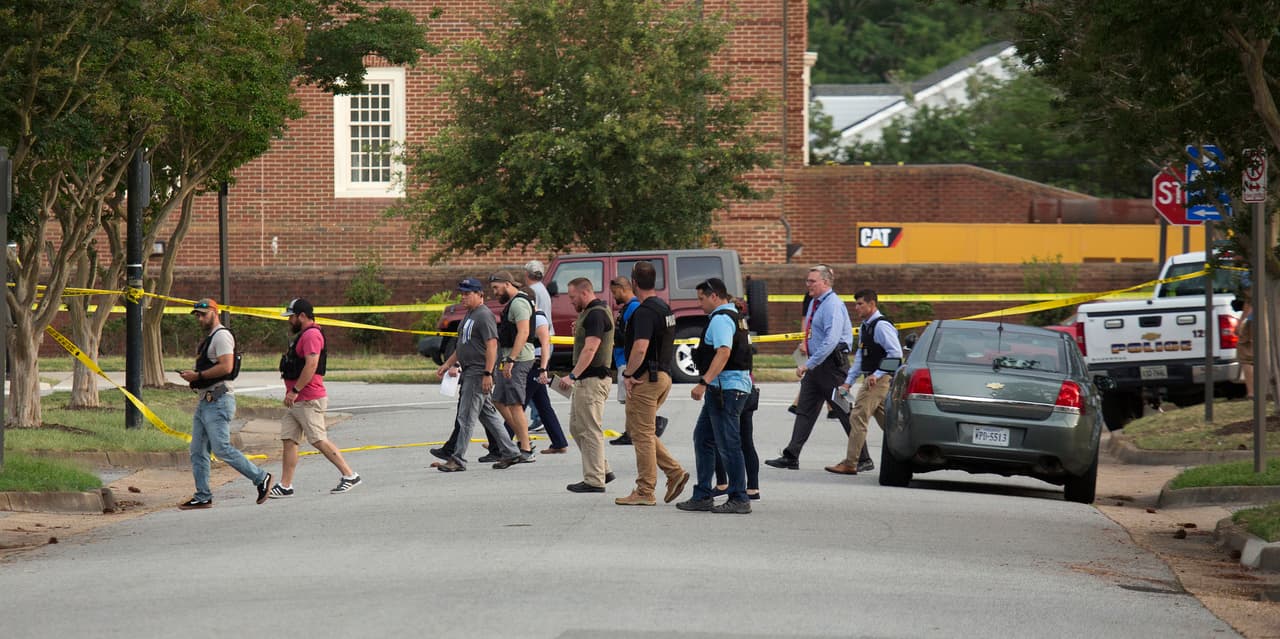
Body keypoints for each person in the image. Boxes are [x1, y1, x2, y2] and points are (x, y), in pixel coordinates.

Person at [765, 265, 872, 471]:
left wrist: (809, 364)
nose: (808, 285)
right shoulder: (816, 303)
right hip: (817, 366)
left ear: (825, 282)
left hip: (831, 366)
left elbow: (831, 340)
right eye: (807, 281)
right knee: (805, 409)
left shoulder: (832, 305)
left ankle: (863, 458)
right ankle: (791, 455)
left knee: (843, 410)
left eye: (812, 281)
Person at [177, 298, 273, 510]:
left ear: (214, 312)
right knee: (197, 450)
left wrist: (198, 375)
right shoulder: (210, 338)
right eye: (197, 315)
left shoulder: (221, 336)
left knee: (221, 448)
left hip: (218, 401)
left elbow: (227, 367)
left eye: (203, 314)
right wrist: (196, 379)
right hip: (205, 402)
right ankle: (203, 496)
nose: (200, 318)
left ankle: (261, 478)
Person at [268, 298, 361, 497]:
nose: (289, 321)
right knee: (289, 439)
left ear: (302, 316)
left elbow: (311, 365)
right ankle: (285, 485)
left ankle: (349, 475)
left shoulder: (311, 335)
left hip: (308, 398)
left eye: (291, 317)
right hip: (297, 400)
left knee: (318, 439)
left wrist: (295, 390)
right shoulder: (303, 335)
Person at [429, 279, 523, 472]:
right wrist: (448, 364)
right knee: (488, 415)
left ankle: (458, 459)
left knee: (466, 417)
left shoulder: (484, 315)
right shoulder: (469, 315)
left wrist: (488, 373)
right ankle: (511, 451)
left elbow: (492, 345)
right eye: (461, 293)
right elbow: (463, 345)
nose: (463, 297)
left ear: (480, 294)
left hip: (478, 372)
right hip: (471, 370)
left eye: (467, 293)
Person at [616, 261, 690, 506]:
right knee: (641, 430)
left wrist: (628, 374)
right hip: (663, 375)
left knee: (642, 435)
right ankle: (674, 473)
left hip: (647, 378)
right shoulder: (664, 308)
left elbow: (640, 347)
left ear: (634, 282)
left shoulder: (645, 311)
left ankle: (646, 490)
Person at [676, 278, 752, 514]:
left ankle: (739, 497)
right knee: (703, 438)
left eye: (701, 298)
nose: (699, 304)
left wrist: (703, 382)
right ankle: (703, 495)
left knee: (728, 445)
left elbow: (724, 352)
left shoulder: (721, 319)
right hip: (727, 388)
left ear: (715, 296)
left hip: (725, 389)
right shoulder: (736, 317)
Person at [826, 289, 902, 475]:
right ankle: (911, 450)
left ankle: (852, 463)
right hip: (871, 378)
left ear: (872, 304)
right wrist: (848, 382)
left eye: (860, 304)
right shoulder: (865, 326)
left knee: (857, 416)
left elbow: (896, 354)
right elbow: (860, 356)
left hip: (878, 380)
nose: (856, 307)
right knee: (890, 423)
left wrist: (877, 374)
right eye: (856, 304)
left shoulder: (881, 326)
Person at [556, 277, 617, 493]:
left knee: (590, 429)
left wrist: (571, 376)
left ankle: (594, 479)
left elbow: (591, 349)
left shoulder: (596, 314)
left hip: (592, 379)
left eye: (572, 297)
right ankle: (603, 469)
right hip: (586, 380)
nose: (570, 302)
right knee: (576, 427)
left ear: (584, 293)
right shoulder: (591, 313)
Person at [608, 276, 667, 445]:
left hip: (628, 360)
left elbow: (634, 335)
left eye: (614, 292)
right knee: (628, 401)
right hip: (621, 357)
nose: (614, 297)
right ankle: (631, 431)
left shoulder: (634, 307)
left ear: (622, 288)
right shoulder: (628, 307)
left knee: (632, 400)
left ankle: (650, 424)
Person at [488, 271, 537, 467]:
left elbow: (524, 332)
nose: (494, 292)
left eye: (496, 288)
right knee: (498, 400)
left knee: (515, 404)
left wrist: (511, 359)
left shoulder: (519, 303)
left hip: (519, 358)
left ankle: (526, 449)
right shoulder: (513, 303)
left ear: (507, 284)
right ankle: (523, 439)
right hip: (509, 357)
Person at [526, 290, 569, 453]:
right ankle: (559, 442)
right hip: (534, 364)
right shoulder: (531, 317)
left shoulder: (538, 318)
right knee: (543, 406)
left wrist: (543, 368)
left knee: (518, 403)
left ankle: (500, 443)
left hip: (535, 364)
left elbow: (545, 344)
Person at [524, 260, 553, 432]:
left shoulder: (532, 292)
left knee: (531, 383)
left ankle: (538, 418)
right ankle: (542, 418)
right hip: (547, 338)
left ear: (527, 274)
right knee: (538, 387)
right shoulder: (543, 289)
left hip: (538, 342)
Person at [1237, 298, 1255, 400]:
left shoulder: (1248, 282)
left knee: (1246, 357)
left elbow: (1249, 301)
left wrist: (1240, 323)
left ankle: (1252, 392)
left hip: (1252, 322)